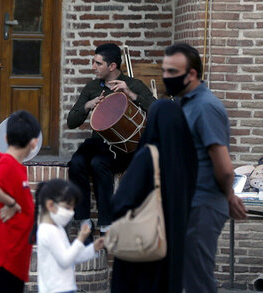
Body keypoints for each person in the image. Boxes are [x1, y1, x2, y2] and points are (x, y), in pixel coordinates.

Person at [161, 43, 247, 293]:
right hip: (188, 202)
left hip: (204, 202)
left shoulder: (206, 107)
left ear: (192, 74)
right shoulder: (185, 104)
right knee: (186, 276)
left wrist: (228, 196)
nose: (167, 77)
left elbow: (224, 166)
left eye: (173, 72)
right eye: (165, 71)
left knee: (198, 279)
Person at [67, 43, 156, 238]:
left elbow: (157, 110)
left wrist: (131, 95)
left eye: (98, 63)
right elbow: (71, 122)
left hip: (125, 147)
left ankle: (106, 223)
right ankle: (83, 220)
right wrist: (88, 105)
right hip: (98, 143)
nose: (93, 67)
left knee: (99, 164)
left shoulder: (133, 85)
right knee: (76, 163)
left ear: (112, 66)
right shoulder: (91, 88)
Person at [110, 100, 198, 293]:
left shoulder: (148, 157)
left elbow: (121, 202)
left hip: (144, 248)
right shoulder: (187, 159)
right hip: (173, 246)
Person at [0, 110, 40, 293]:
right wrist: (12, 203)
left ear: (5, 137)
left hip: (15, 253)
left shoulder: (13, 164)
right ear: (34, 143)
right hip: (7, 254)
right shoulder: (8, 163)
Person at [29, 179, 105, 293]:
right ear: (50, 205)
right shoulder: (47, 231)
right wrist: (80, 239)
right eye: (67, 207)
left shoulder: (58, 229)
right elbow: (65, 260)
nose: (71, 212)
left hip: (66, 287)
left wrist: (93, 248)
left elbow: (72, 257)